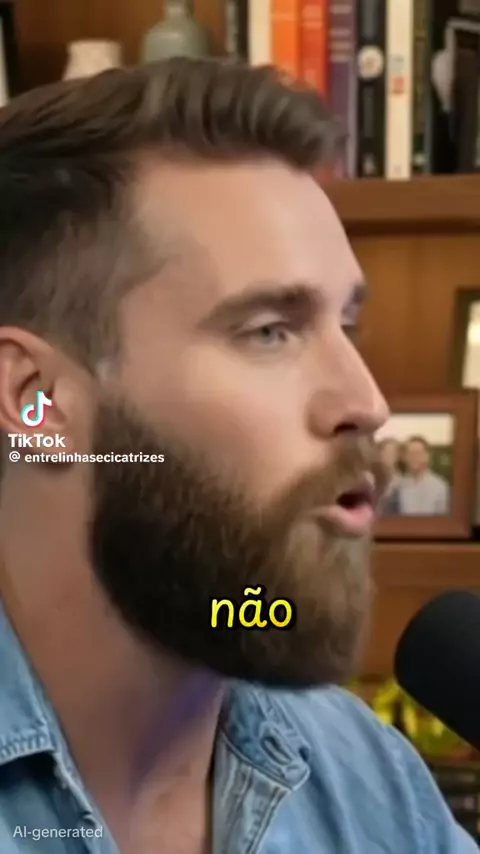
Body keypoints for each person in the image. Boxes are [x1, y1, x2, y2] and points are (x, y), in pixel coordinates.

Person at [0, 58, 474, 854]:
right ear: (36, 401)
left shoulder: (364, 777)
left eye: (345, 327)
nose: (367, 403)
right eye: (270, 331)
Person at [398, 436, 450, 515]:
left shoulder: (440, 487)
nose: (414, 457)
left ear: (427, 456)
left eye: (418, 453)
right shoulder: (400, 485)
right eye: (410, 453)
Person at [377, 437, 402, 514]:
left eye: (392, 453)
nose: (389, 456)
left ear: (397, 456)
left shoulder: (402, 482)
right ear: (380, 455)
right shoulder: (371, 479)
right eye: (386, 452)